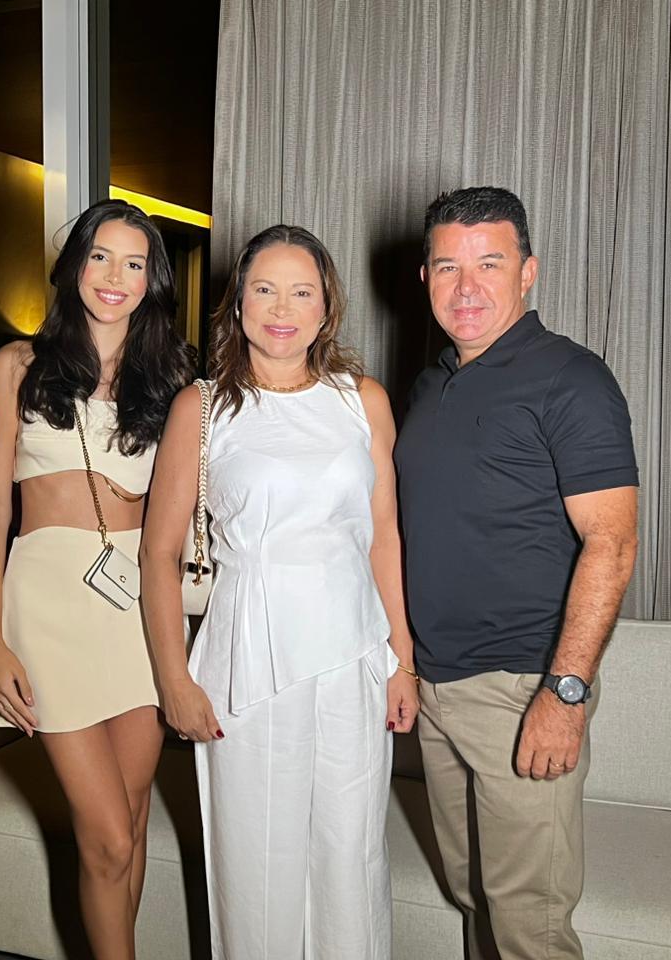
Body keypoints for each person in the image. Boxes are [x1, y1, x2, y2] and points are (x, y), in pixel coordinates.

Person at [140, 224, 418, 960]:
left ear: (327, 307)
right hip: (245, 659)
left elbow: (384, 537)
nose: (282, 308)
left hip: (354, 653)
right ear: (238, 303)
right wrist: (174, 679)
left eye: (302, 291)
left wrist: (403, 661)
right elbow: (158, 553)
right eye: (264, 289)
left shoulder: (363, 401)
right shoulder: (201, 408)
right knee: (255, 864)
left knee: (351, 858)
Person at [395, 186, 639, 960]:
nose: (466, 287)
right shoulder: (431, 384)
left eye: (489, 264)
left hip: (521, 685)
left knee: (529, 927)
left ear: (528, 272)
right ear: (425, 277)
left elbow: (612, 543)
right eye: (447, 267)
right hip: (438, 689)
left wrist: (564, 694)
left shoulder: (571, 379)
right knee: (475, 900)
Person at [0, 199, 193, 960]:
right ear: (74, 265)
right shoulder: (18, 364)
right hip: (45, 604)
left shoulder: (173, 380)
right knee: (104, 837)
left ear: (151, 280)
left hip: (139, 604)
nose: (114, 276)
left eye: (135, 263)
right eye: (101, 256)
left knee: (131, 823)